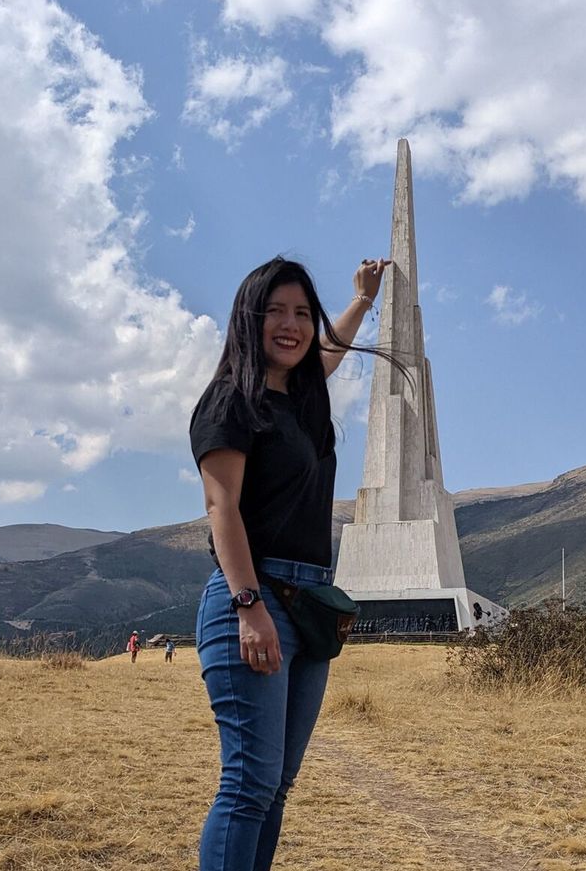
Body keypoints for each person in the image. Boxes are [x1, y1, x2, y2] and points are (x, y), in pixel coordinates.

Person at [189, 255, 397, 871]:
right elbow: (220, 504)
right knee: (248, 783)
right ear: (249, 318)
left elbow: (323, 355)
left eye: (302, 313)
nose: (291, 325)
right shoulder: (231, 401)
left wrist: (361, 300)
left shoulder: (301, 401)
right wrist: (248, 606)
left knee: (276, 784)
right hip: (252, 600)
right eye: (276, 311)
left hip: (308, 607)